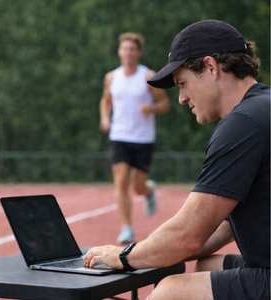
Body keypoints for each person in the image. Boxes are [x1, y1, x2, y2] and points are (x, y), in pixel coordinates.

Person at [84, 19, 270, 300]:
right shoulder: (262, 106)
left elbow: (187, 234)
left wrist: (123, 255)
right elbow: (222, 227)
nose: (181, 98)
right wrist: (148, 250)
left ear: (211, 67)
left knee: (170, 291)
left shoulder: (242, 123)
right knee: (205, 266)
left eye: (182, 83)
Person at [99, 32, 170, 244]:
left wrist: (152, 108)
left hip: (143, 138)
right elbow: (105, 101)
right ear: (119, 52)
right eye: (124, 49)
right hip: (119, 135)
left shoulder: (148, 76)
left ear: (138, 53)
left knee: (137, 186)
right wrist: (104, 118)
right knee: (120, 182)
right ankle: (127, 228)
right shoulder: (112, 77)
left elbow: (165, 103)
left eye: (132, 49)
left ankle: (148, 191)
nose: (128, 52)